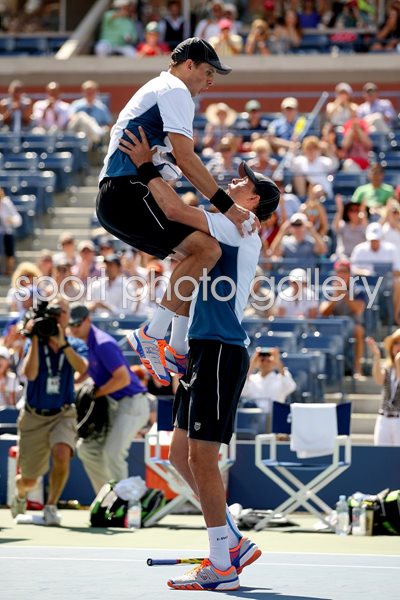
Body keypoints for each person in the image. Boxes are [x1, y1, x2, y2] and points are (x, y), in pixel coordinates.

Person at [118, 131, 279, 590]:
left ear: (253, 201)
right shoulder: (231, 226)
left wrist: (148, 166)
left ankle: (221, 566)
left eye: (243, 181)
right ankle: (231, 539)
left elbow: (172, 210)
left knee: (203, 459)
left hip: (221, 350)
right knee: (179, 455)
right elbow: (187, 266)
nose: (233, 180)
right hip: (203, 351)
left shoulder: (239, 223)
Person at [96, 38, 255, 385]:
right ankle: (153, 335)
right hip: (127, 190)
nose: (210, 81)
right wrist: (229, 208)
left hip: (123, 192)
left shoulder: (162, 90)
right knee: (205, 249)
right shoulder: (175, 90)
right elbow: (185, 158)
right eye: (208, 71)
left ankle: (177, 347)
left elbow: (173, 164)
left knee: (199, 254)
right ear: (188, 65)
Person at [10, 299, 88, 525]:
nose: (56, 317)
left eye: (61, 312)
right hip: (34, 415)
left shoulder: (73, 344)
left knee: (63, 452)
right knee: (30, 479)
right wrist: (34, 339)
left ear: (67, 317)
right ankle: (21, 490)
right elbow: (30, 374)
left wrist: (63, 344)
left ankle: (51, 505)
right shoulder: (34, 343)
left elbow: (82, 368)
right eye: (53, 313)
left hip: (62, 413)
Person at [69, 304, 150, 494]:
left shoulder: (103, 343)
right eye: (71, 325)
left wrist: (95, 394)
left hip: (132, 403)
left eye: (77, 324)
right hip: (116, 405)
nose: (74, 329)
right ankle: (107, 499)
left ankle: (125, 504)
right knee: (87, 450)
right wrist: (76, 383)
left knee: (113, 454)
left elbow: (122, 379)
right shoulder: (89, 342)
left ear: (88, 320)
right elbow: (92, 367)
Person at [320, 259, 366, 378]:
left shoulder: (358, 290)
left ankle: (357, 368)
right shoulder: (329, 290)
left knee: (359, 331)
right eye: (339, 271)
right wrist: (335, 297)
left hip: (352, 324)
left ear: (349, 274)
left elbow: (359, 309)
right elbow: (323, 312)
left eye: (344, 271)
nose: (342, 274)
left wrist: (345, 295)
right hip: (334, 325)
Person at [350, 222, 400, 325]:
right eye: (372, 240)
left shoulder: (391, 249)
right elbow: (352, 269)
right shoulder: (359, 249)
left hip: (386, 283)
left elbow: (397, 271)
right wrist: (365, 273)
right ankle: (369, 324)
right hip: (366, 284)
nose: (374, 242)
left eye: (376, 239)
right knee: (368, 291)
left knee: (398, 283)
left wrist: (384, 273)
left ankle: (395, 317)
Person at [241, 347, 296, 423]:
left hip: (275, 420)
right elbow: (242, 392)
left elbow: (291, 387)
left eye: (269, 360)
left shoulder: (281, 378)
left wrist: (278, 361)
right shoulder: (251, 379)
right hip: (254, 421)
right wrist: (252, 363)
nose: (265, 363)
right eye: (262, 360)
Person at [367, 329, 400, 446]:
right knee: (381, 454)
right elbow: (378, 379)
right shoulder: (388, 369)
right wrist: (377, 356)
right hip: (384, 417)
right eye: (396, 343)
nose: (398, 347)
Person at [0, 186, 22, 275]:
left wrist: (10, 220)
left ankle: (9, 270)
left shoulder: (7, 203)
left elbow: (18, 219)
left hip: (6, 232)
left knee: (8, 242)